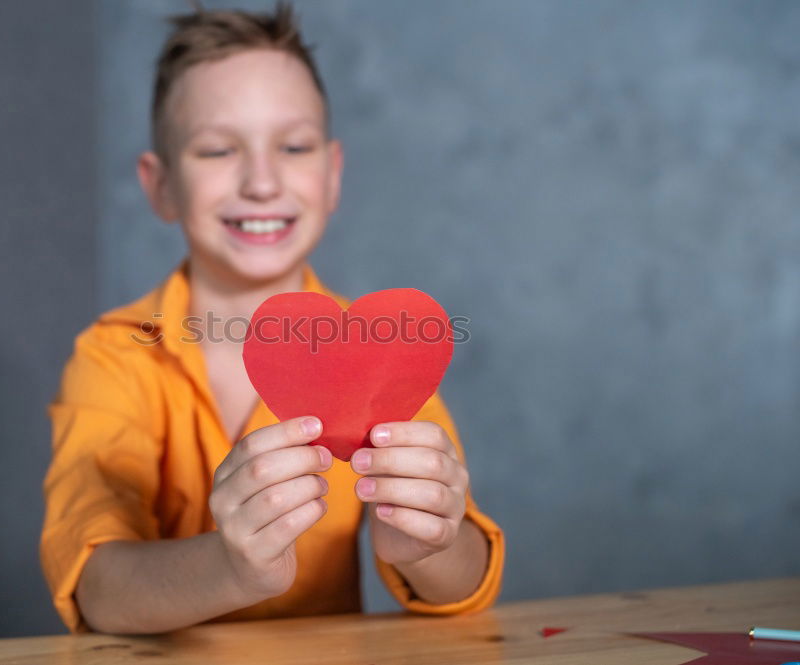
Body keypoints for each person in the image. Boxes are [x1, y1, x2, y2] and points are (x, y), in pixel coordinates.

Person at [40, 1, 504, 635]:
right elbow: (96, 588)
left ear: (332, 174)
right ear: (161, 187)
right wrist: (232, 568)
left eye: (292, 146)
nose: (262, 181)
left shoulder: (385, 348)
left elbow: (469, 581)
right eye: (216, 150)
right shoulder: (114, 357)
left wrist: (430, 543)